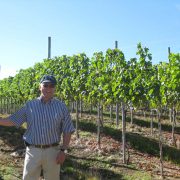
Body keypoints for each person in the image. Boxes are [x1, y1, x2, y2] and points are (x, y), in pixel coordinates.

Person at [0, 75, 75, 180]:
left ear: (55, 88)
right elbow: (13, 120)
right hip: (32, 151)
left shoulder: (61, 107)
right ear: (40, 87)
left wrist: (63, 151)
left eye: (51, 86)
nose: (48, 88)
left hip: (52, 152)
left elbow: (67, 130)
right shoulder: (30, 105)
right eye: (45, 85)